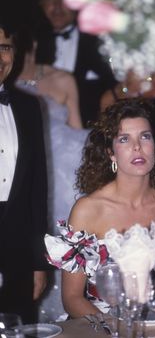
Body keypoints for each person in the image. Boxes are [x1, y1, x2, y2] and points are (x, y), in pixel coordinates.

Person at [45, 98, 155, 320]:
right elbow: (72, 298)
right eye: (124, 139)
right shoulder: (88, 210)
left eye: (145, 136)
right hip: (101, 323)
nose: (137, 147)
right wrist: (118, 331)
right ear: (111, 153)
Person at [13, 26, 90, 322]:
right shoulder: (6, 82)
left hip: (63, 178)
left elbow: (78, 134)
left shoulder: (62, 79)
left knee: (63, 241)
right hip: (23, 175)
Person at [0, 21, 48, 323]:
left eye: (4, 48)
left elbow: (36, 190)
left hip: (18, 252)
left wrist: (37, 261)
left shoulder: (29, 107)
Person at [35, 0, 116, 127]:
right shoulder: (30, 44)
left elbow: (116, 87)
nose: (57, 6)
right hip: (39, 130)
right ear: (41, 2)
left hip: (89, 133)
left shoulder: (99, 41)